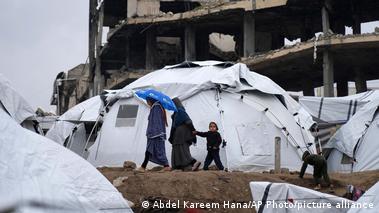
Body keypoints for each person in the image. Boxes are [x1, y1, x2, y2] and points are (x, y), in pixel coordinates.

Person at [138, 97, 170, 171]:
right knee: (155, 150)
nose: (147, 103)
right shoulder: (157, 107)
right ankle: (166, 165)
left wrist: (153, 132)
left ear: (151, 100)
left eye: (148, 101)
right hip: (156, 133)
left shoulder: (156, 108)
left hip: (155, 134)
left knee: (154, 150)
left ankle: (143, 167)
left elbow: (156, 122)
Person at [169, 98, 201, 171]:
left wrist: (193, 130)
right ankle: (180, 166)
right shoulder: (176, 112)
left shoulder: (180, 111)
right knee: (177, 148)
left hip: (182, 133)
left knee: (182, 148)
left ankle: (193, 162)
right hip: (179, 133)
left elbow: (188, 121)